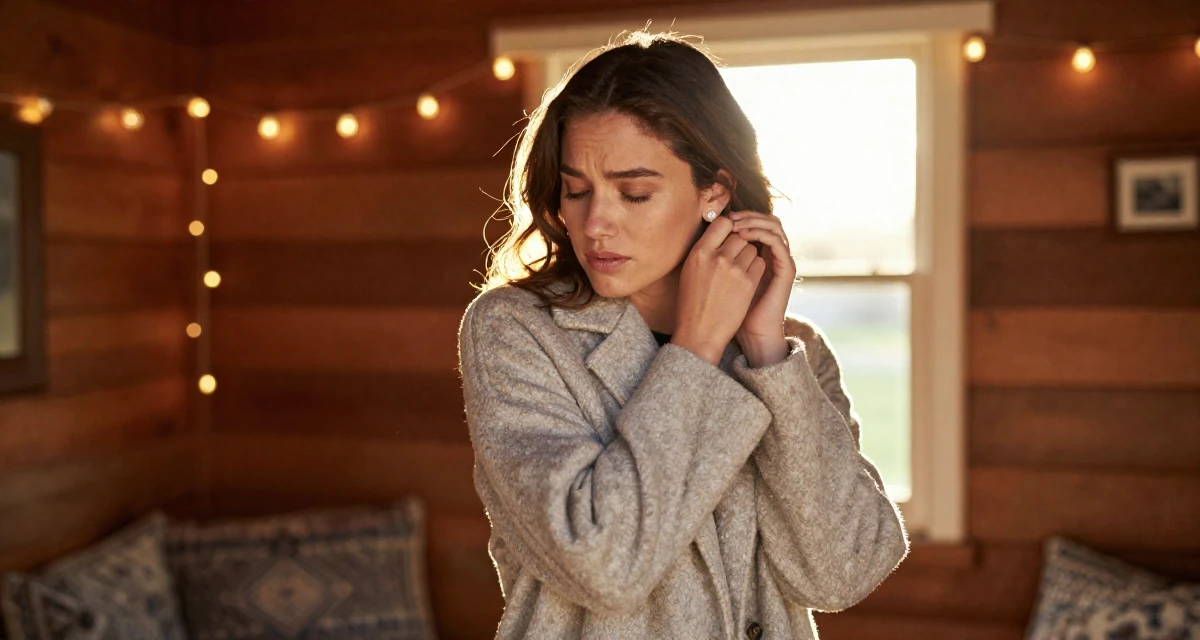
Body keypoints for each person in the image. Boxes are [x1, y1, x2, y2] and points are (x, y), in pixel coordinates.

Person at [457, 31, 908, 640]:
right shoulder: (516, 332)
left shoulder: (790, 354)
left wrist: (768, 356)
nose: (595, 223)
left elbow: (842, 572)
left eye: (634, 192)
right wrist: (695, 345)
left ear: (714, 192)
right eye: (576, 190)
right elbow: (605, 566)